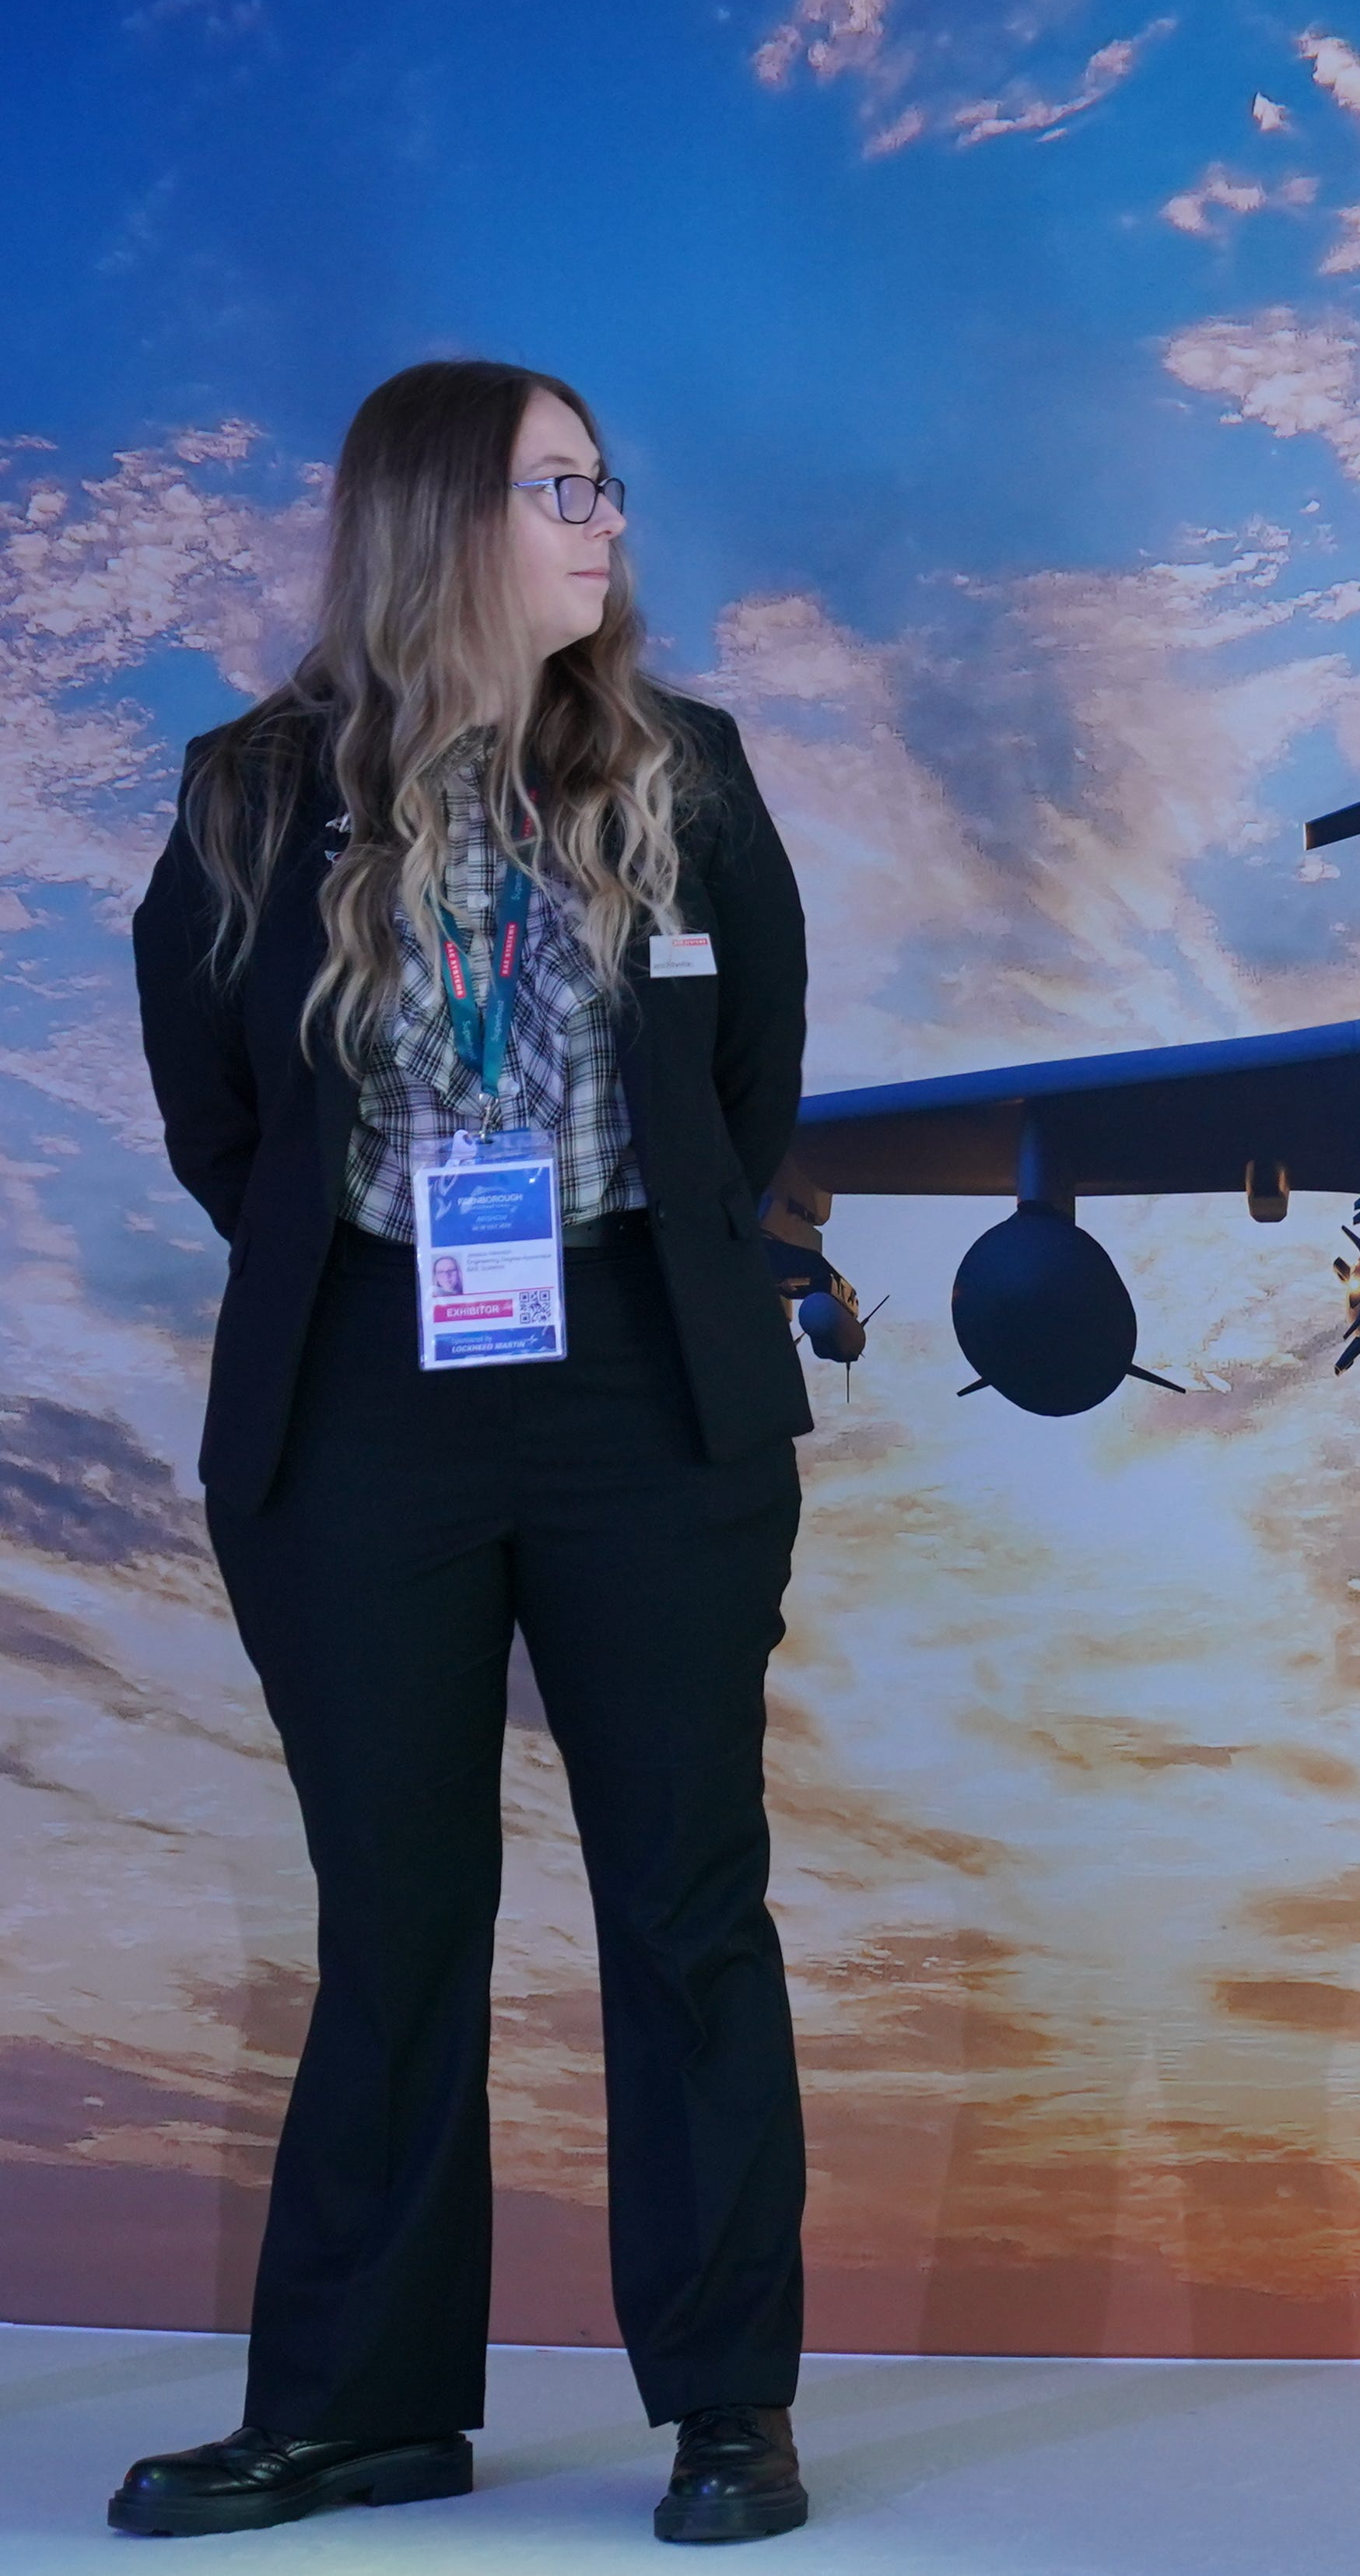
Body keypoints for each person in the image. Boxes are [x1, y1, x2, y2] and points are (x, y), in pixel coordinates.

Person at [115, 361, 820, 2546]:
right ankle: (363, 2413)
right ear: (440, 522)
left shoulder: (684, 770)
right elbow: (215, 1116)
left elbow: (759, 1072)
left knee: (689, 1904)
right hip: (364, 1401)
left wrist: (640, 1266)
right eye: (557, 487)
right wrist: (388, 1277)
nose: (606, 519)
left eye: (607, 479)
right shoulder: (247, 791)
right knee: (394, 1916)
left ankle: (727, 2408)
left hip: (647, 1391)